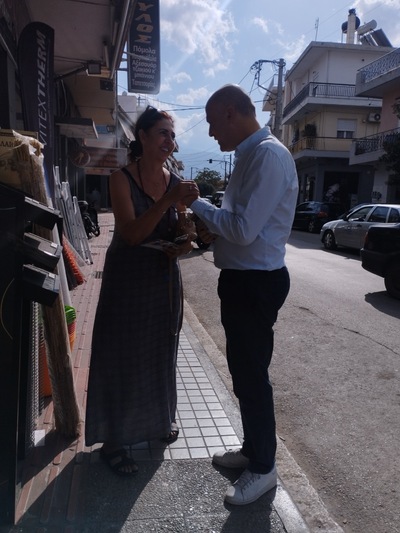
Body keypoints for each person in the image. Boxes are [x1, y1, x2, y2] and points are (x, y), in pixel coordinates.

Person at [187, 85, 298, 505]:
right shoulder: (249, 155)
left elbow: (243, 230)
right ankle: (253, 451)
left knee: (252, 377)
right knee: (244, 373)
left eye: (213, 123)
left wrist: (196, 203)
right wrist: (210, 227)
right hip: (242, 280)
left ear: (231, 112)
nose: (211, 133)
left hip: (256, 282)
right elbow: (237, 223)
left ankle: (264, 468)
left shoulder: (268, 155)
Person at [85, 105, 199, 475]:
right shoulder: (121, 179)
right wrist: (168, 200)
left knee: (160, 354)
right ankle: (114, 442)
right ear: (143, 137)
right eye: (163, 132)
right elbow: (131, 234)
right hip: (128, 281)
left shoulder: (173, 178)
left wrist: (187, 237)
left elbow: (178, 228)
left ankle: (159, 421)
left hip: (163, 280)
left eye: (172, 135)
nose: (170, 140)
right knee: (123, 356)